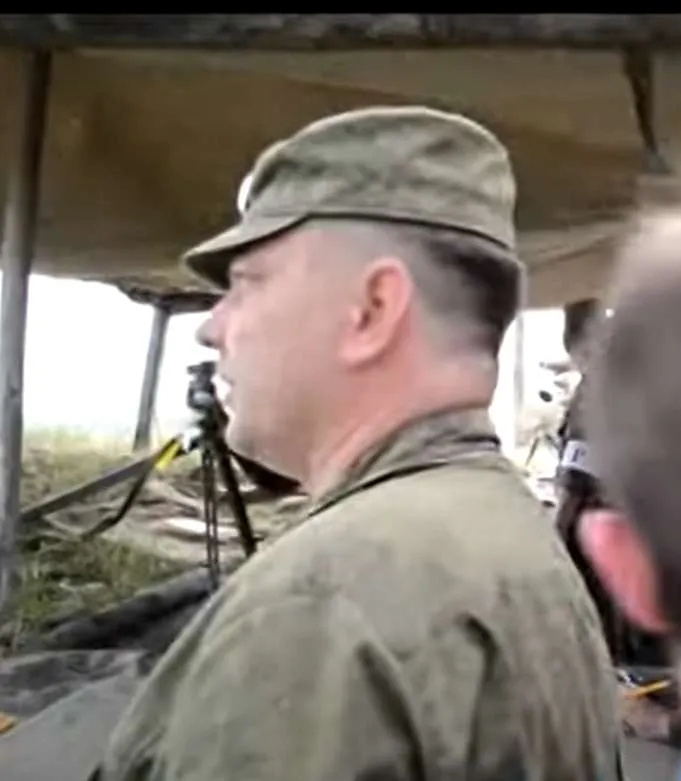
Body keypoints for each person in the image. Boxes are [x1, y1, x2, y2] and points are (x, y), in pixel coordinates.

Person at [97, 106, 621, 780]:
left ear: (371, 309)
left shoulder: (315, 610)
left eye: (246, 284)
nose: (212, 326)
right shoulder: (515, 538)